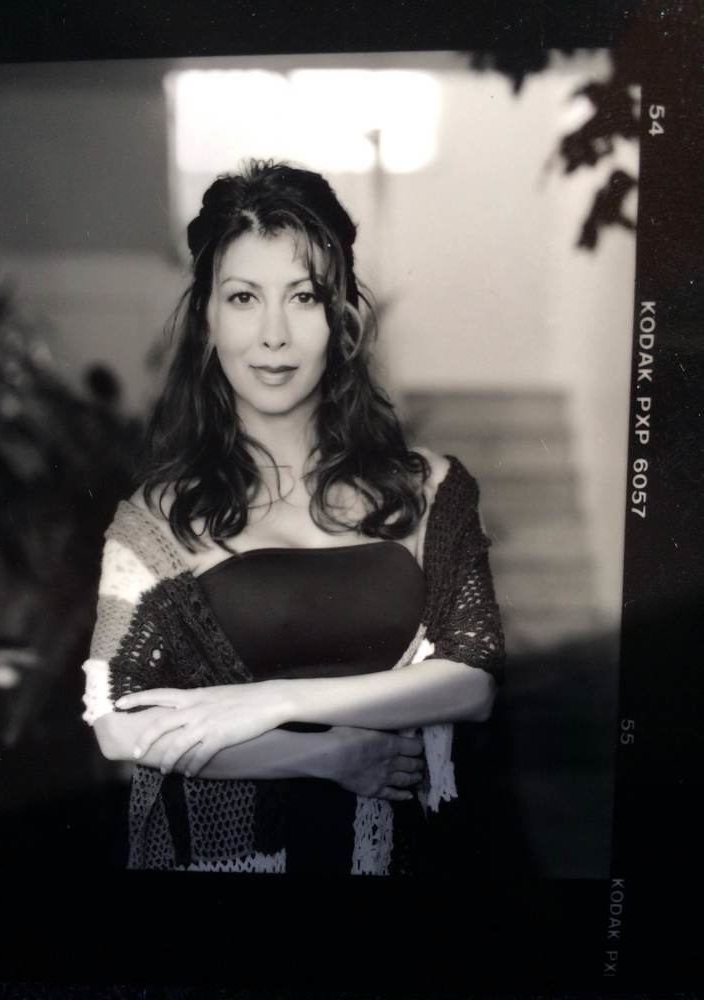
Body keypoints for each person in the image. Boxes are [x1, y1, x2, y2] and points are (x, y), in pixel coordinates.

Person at [81, 159, 505, 875]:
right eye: (244, 298)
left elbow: (474, 679)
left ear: (342, 318)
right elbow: (118, 724)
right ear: (208, 318)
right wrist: (327, 753)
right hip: (226, 880)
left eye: (303, 297)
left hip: (410, 864)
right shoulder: (155, 520)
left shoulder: (431, 488)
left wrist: (271, 701)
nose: (273, 335)